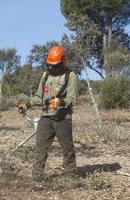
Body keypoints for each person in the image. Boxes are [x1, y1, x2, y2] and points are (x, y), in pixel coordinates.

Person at [18, 45, 78, 179]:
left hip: (63, 118)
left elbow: (72, 98)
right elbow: (39, 97)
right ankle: (37, 176)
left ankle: (69, 175)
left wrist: (58, 102)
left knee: (67, 148)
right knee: (40, 148)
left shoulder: (70, 75)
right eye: (49, 65)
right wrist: (26, 105)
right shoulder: (46, 75)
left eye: (55, 66)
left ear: (63, 62)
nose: (51, 69)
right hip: (45, 117)